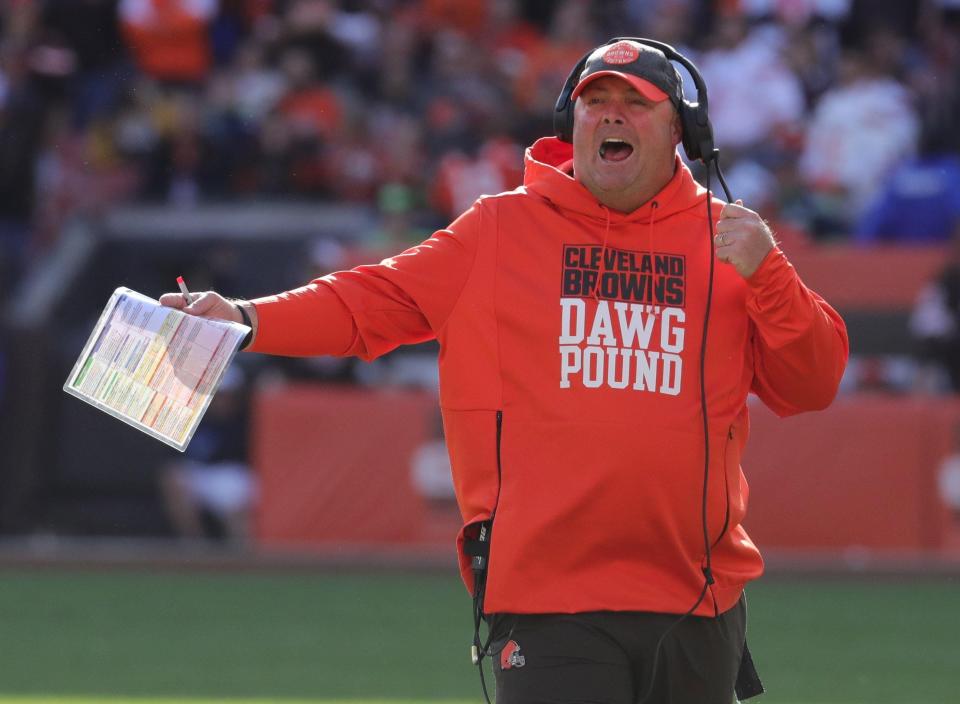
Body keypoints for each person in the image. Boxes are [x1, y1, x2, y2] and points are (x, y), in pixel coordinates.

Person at [161, 38, 848, 704]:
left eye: (634, 103)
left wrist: (770, 272)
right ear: (569, 121)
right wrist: (248, 318)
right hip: (551, 598)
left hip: (697, 597)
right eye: (594, 101)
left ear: (681, 132)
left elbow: (811, 385)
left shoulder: (730, 242)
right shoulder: (498, 231)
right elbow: (371, 302)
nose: (611, 114)